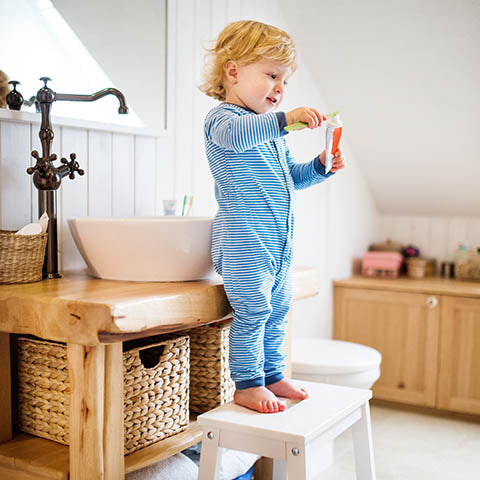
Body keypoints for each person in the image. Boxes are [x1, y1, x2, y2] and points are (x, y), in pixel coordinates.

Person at [200, 20, 345, 414]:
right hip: (244, 241)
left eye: (284, 80)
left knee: (278, 309)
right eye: (271, 75)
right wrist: (284, 121)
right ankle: (247, 384)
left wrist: (319, 165)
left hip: (277, 243)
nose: (280, 89)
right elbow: (240, 136)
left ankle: (272, 373)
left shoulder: (270, 134)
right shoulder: (224, 121)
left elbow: (289, 178)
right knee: (253, 312)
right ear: (233, 72)